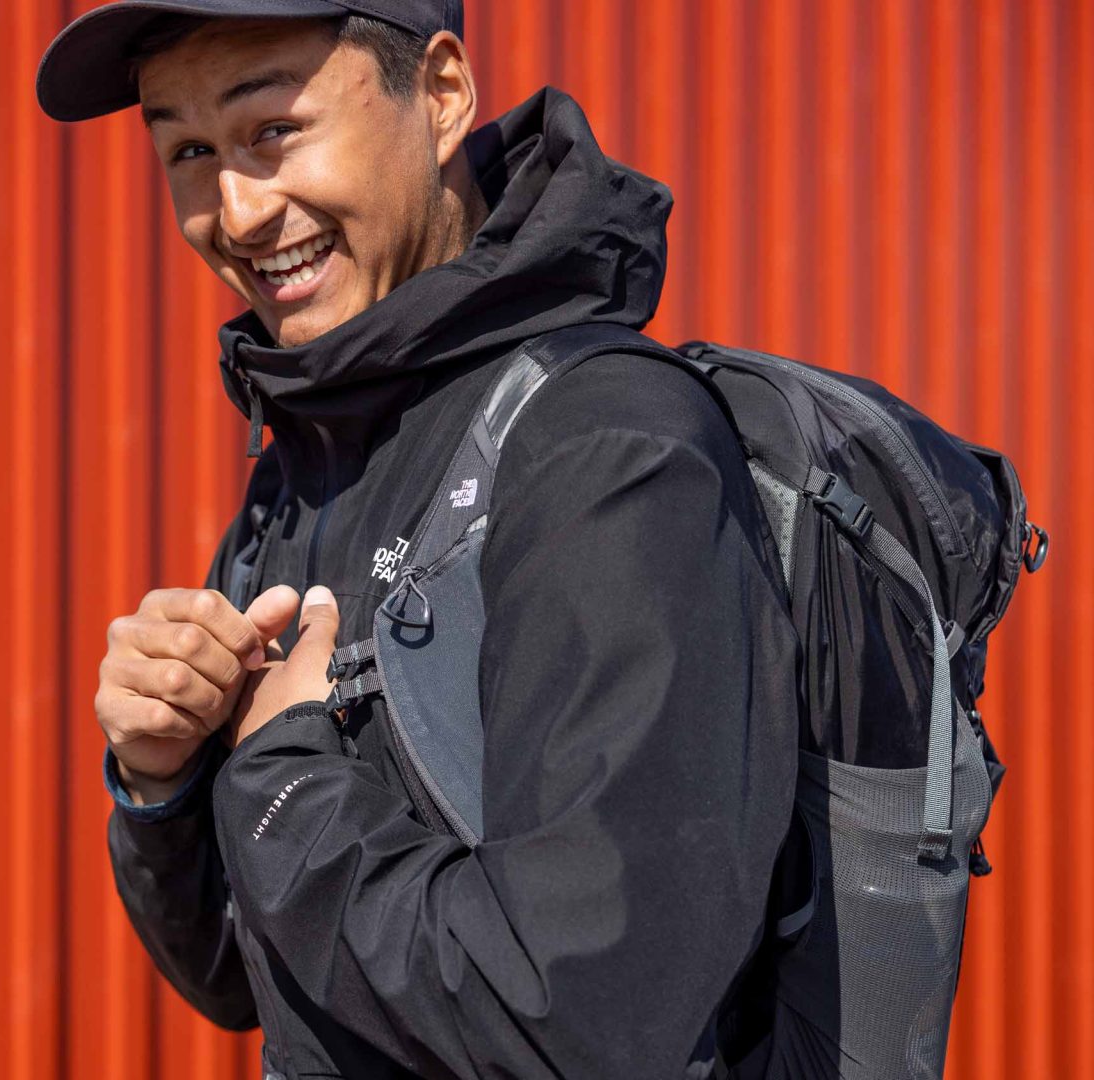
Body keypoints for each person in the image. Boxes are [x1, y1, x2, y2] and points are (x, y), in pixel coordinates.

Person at [39, 2, 802, 1077]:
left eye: (272, 131)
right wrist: (165, 782)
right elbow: (242, 971)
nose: (239, 209)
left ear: (440, 94)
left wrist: (280, 771)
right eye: (191, 151)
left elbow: (587, 1020)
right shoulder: (310, 460)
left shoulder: (604, 449)